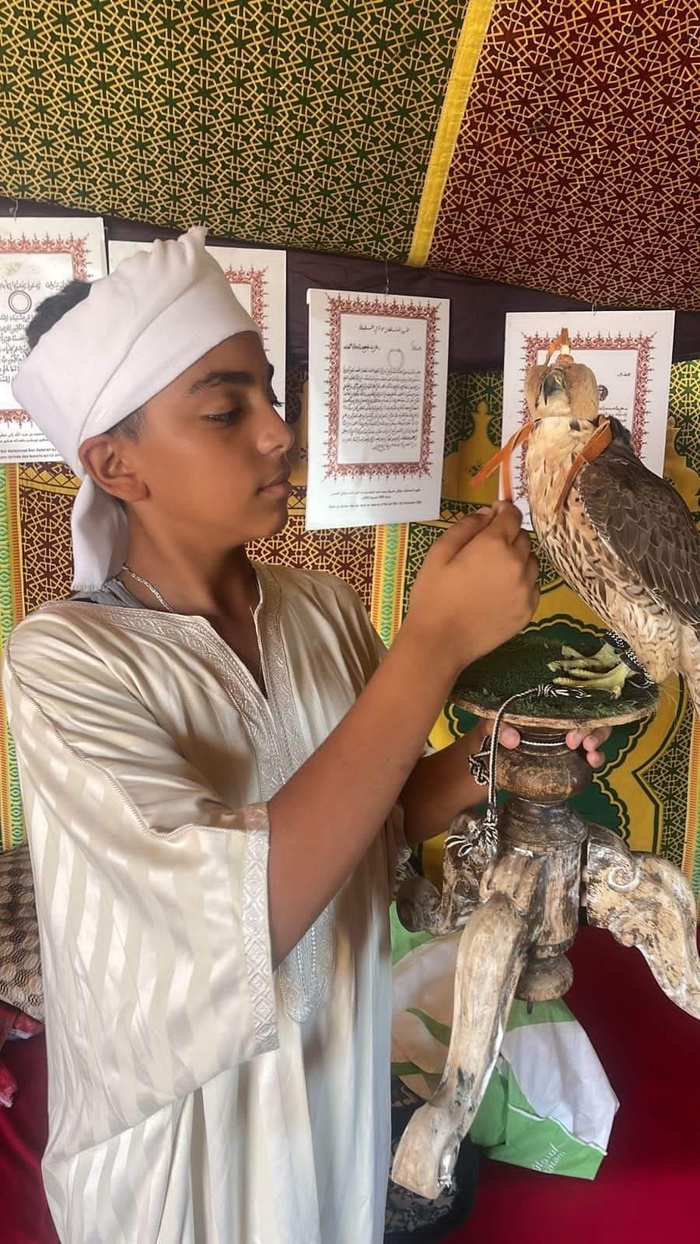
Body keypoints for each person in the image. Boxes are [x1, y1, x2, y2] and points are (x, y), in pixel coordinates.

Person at [4, 230, 608, 1243]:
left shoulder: (321, 610)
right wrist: (435, 645)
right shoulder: (65, 660)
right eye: (225, 408)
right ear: (116, 462)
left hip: (332, 1094)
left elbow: (361, 826)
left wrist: (489, 756)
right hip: (185, 1151)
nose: (281, 432)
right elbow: (236, 914)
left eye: (272, 395)